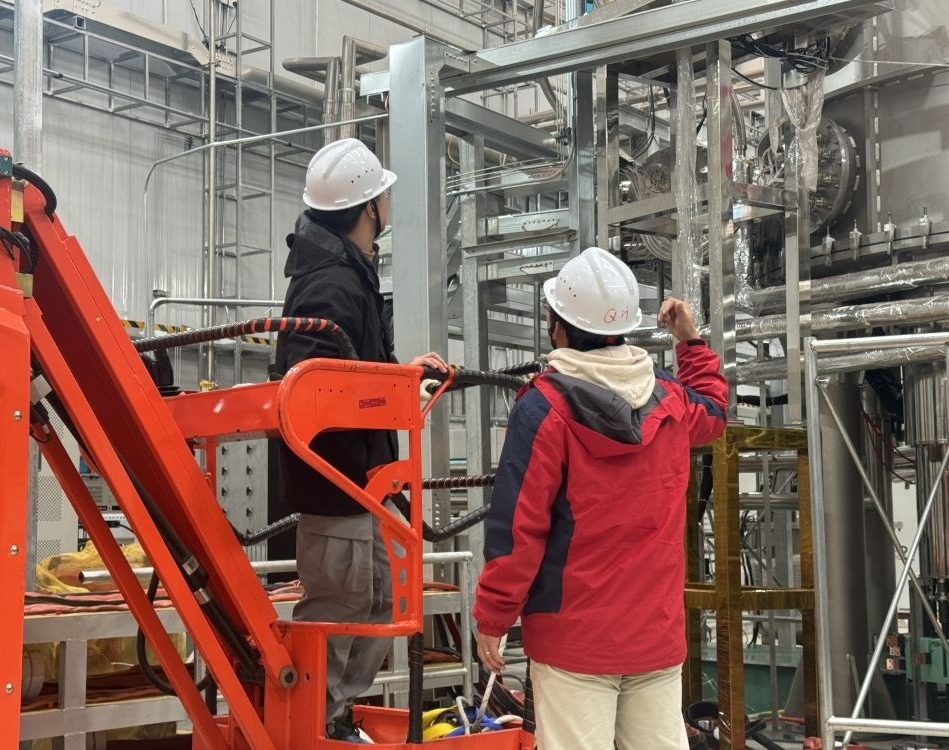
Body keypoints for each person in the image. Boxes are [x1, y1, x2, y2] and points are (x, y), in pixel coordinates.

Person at [472, 246, 728, 750]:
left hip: (574, 644)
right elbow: (716, 413)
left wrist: (494, 616)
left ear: (558, 327)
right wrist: (690, 342)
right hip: (654, 637)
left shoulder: (543, 408)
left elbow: (518, 527)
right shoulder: (671, 400)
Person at [273, 137, 447, 743]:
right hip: (338, 485)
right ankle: (312, 726)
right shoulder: (332, 285)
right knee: (338, 607)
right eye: (384, 196)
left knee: (382, 599)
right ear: (369, 207)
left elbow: (355, 367)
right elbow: (314, 390)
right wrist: (384, 392)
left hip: (365, 486)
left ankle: (334, 716)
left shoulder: (349, 276)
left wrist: (401, 378)